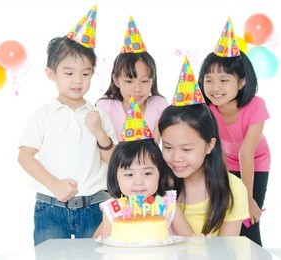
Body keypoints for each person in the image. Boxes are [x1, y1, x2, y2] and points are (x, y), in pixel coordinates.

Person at [17, 5, 117, 246]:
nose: (78, 80)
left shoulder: (98, 114)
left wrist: (100, 133)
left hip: (94, 205)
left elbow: (113, 159)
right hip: (50, 206)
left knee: (96, 255)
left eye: (85, 73)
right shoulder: (43, 115)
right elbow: (25, 156)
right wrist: (55, 185)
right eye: (69, 72)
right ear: (51, 73)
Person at [197, 17, 270, 246]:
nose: (215, 88)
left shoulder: (256, 105)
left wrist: (247, 197)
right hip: (225, 162)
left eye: (224, 80)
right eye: (209, 80)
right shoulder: (206, 109)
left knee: (249, 217)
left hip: (256, 161)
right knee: (226, 216)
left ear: (241, 82)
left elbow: (246, 153)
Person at [158, 55, 249, 236]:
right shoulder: (155, 183)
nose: (176, 158)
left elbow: (226, 251)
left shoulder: (232, 188)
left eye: (186, 149)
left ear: (209, 145)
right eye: (168, 147)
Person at [94, 96, 193, 238]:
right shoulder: (113, 210)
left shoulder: (168, 205)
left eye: (147, 173)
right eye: (129, 174)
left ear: (160, 173)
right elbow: (105, 247)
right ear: (115, 177)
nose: (139, 181)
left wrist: (199, 240)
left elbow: (190, 239)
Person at [96, 16, 168, 143]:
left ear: (152, 80)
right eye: (129, 81)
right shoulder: (105, 106)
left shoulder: (159, 105)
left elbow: (156, 150)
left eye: (145, 81)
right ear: (116, 80)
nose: (137, 89)